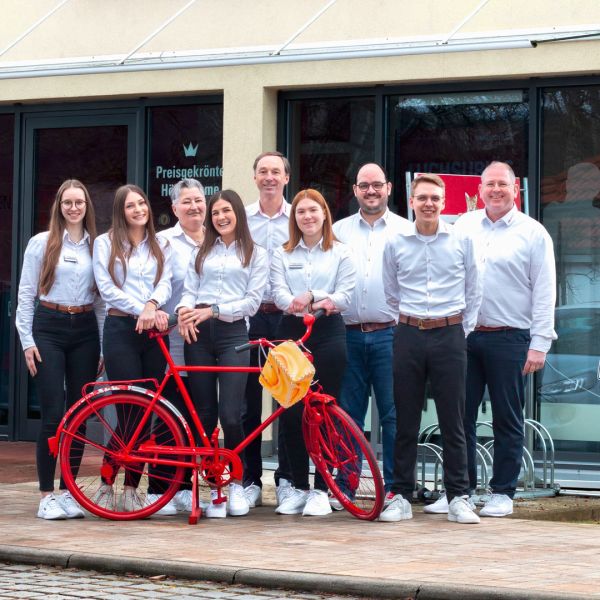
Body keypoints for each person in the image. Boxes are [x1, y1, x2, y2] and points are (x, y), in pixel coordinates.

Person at [452, 161, 557, 518]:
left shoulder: (533, 233)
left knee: (507, 418)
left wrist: (540, 342)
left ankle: (502, 492)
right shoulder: (463, 226)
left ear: (516, 190)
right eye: (489, 184)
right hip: (464, 336)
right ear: (479, 190)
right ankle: (460, 492)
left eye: (502, 184)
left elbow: (545, 291)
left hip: (510, 337)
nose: (495, 190)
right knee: (458, 416)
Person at [380, 173, 481, 524]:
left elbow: (474, 290)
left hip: (449, 334)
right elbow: (391, 291)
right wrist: (409, 324)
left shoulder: (461, 239)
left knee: (454, 420)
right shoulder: (395, 242)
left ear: (444, 202)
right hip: (408, 334)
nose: (428, 204)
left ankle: (459, 497)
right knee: (404, 419)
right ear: (411, 201)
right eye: (422, 197)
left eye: (434, 198)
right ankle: (401, 496)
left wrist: (457, 331)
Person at [177, 189, 268, 518]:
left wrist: (213, 310)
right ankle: (209, 489)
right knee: (203, 417)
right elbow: (188, 289)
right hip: (197, 334)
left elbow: (252, 303)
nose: (220, 217)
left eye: (226, 211)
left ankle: (235, 485)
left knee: (232, 415)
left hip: (232, 334)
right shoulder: (202, 250)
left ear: (237, 214)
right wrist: (185, 311)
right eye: (215, 213)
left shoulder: (255, 252)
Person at [16, 179, 101, 520]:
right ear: (59, 205)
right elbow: (25, 294)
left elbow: (101, 303)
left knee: (79, 415)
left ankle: (68, 490)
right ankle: (46, 494)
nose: (73, 208)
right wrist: (27, 341)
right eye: (67, 202)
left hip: (84, 331)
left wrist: (104, 344)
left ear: (87, 206)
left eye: (79, 202)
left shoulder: (98, 245)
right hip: (48, 327)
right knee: (53, 414)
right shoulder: (42, 243)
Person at [270, 188, 356, 517]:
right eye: (301, 212)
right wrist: (291, 301)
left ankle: (322, 488)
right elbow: (277, 292)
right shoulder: (282, 253)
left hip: (328, 331)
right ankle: (297, 486)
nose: (307, 216)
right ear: (295, 218)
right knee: (290, 412)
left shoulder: (341, 253)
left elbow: (345, 295)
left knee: (323, 411)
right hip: (291, 333)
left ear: (324, 214)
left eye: (313, 211)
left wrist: (312, 294)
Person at [332, 163, 411, 499]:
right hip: (347, 334)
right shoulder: (337, 231)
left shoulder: (407, 231)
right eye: (364, 185)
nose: (371, 191)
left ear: (389, 188)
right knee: (347, 415)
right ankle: (346, 486)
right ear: (355, 191)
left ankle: (394, 488)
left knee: (394, 414)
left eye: (377, 184)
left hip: (391, 334)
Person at [93, 184, 172, 511]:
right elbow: (106, 288)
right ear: (120, 212)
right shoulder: (104, 243)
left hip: (153, 332)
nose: (138, 209)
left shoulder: (160, 243)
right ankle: (106, 482)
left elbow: (167, 281)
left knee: (147, 412)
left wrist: (152, 305)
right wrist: (142, 309)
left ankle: (130, 489)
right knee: (129, 410)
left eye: (142, 203)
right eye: (130, 206)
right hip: (121, 329)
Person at [148, 178, 206, 515]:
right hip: (170, 339)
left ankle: (187, 487)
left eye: (198, 200)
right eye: (186, 202)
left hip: (204, 340)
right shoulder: (164, 242)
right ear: (174, 209)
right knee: (168, 414)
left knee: (196, 414)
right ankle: (160, 487)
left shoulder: (217, 238)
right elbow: (158, 282)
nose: (194, 207)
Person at [243, 151, 294, 509]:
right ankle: (249, 480)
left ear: (286, 178)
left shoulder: (301, 216)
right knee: (246, 400)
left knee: (288, 400)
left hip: (286, 317)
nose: (270, 177)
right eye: (263, 171)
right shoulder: (241, 218)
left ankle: (288, 480)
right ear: (255, 177)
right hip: (250, 317)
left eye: (276, 171)